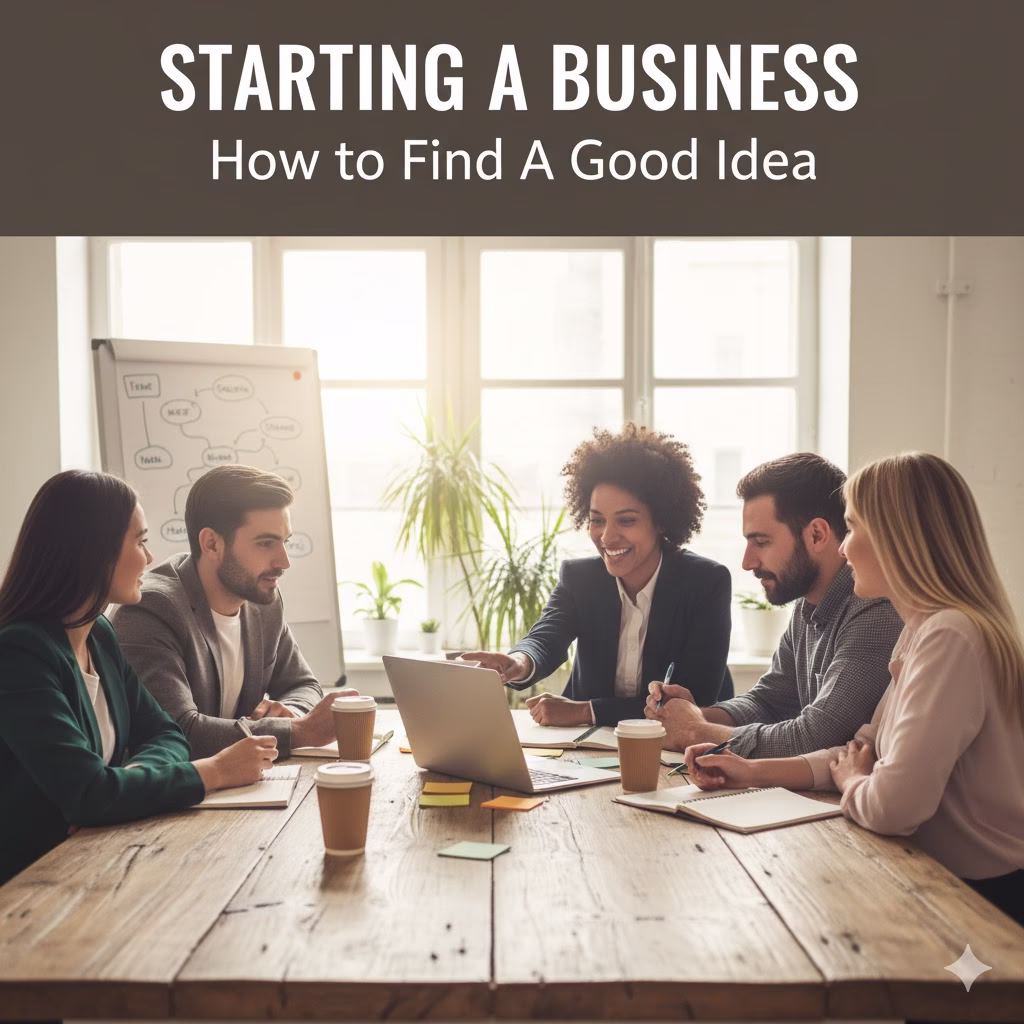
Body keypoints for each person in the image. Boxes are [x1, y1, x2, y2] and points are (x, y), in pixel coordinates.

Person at [683, 452, 1024, 927]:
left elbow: (891, 805)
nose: (844, 549)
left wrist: (853, 781)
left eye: (854, 528)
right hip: (939, 880)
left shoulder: (949, 635)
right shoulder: (922, 628)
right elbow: (860, 748)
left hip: (984, 903)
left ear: (898, 540)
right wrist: (750, 771)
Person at [0, 471, 276, 886]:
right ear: (94, 551)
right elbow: (88, 794)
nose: (149, 559)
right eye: (140, 541)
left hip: (92, 859)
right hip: (29, 886)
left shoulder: (100, 635)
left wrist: (124, 784)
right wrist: (215, 771)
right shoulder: (20, 653)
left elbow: (166, 735)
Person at [463, 424, 732, 728]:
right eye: (597, 520)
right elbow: (547, 637)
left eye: (626, 520)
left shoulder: (706, 582)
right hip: (587, 744)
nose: (607, 536)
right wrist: (518, 663)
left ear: (661, 522)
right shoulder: (580, 578)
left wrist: (585, 711)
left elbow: (694, 699)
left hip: (678, 747)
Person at [646, 453, 903, 756]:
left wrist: (694, 731)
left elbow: (816, 737)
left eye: (761, 542)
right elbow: (769, 702)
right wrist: (694, 713)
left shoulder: (877, 610)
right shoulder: (808, 606)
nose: (747, 562)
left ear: (817, 535)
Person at [110, 465, 355, 759]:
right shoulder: (151, 608)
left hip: (234, 791)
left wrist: (292, 712)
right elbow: (178, 731)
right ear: (212, 544)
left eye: (285, 542)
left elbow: (302, 684)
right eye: (266, 543)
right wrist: (299, 731)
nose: (284, 561)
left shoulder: (263, 602)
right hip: (163, 798)